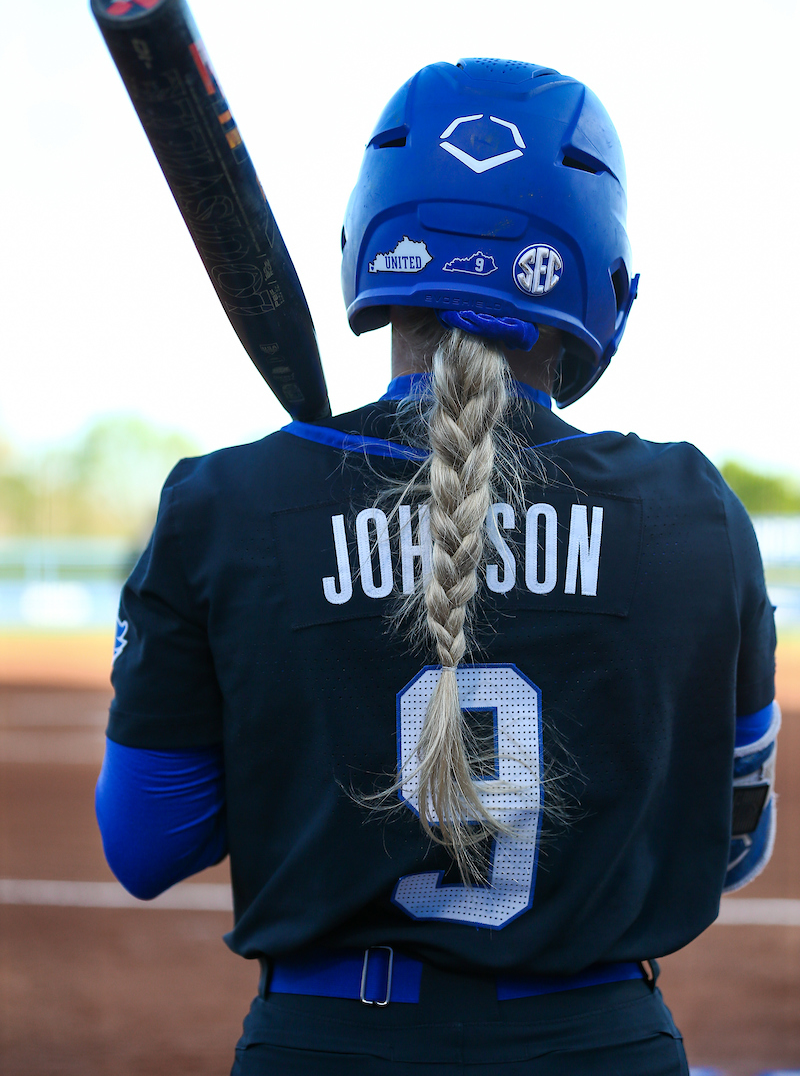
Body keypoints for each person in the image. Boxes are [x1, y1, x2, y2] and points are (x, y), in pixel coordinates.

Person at [96, 58, 779, 1075]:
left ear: (369, 252)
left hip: (324, 1046)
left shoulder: (224, 505)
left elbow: (146, 846)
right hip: (600, 1044)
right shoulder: (693, 509)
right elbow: (731, 845)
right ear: (601, 275)